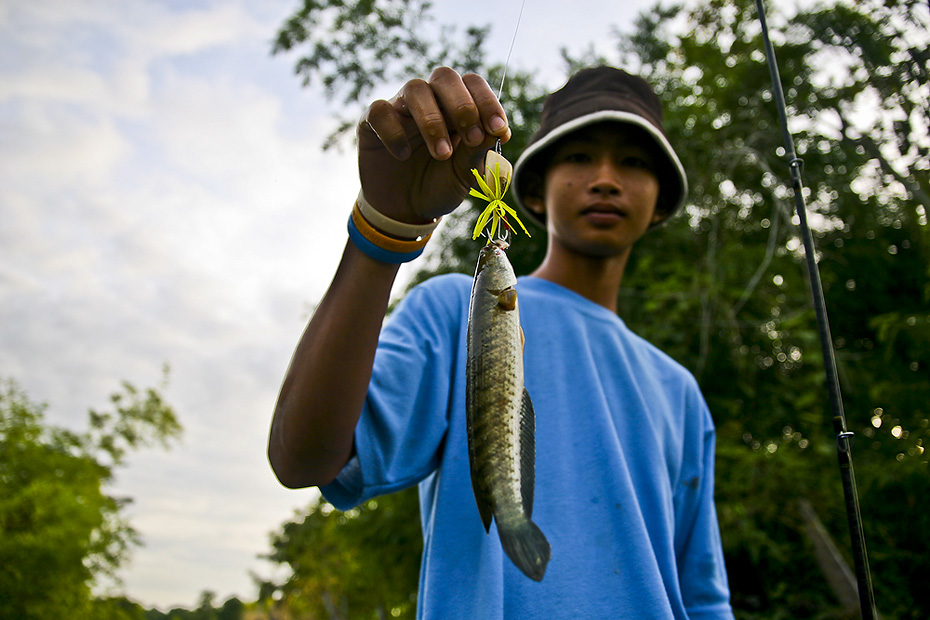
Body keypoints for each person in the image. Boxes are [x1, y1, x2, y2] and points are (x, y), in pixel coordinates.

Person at [268, 65, 734, 619]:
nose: (605, 178)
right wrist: (384, 227)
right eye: (580, 156)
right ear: (532, 190)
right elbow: (302, 459)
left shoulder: (680, 392)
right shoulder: (450, 311)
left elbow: (703, 597)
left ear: (661, 202)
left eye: (633, 162)